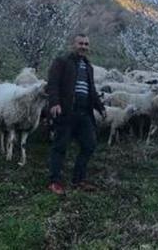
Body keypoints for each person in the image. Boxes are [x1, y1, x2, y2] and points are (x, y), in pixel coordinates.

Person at [46, 34, 106, 195]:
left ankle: (78, 179)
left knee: (89, 144)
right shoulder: (62, 61)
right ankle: (54, 181)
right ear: (73, 44)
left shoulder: (88, 67)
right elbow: (52, 83)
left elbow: (91, 90)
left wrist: (100, 107)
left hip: (84, 112)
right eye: (80, 43)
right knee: (60, 146)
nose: (84, 47)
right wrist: (55, 103)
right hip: (66, 111)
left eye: (86, 44)